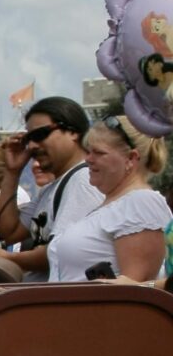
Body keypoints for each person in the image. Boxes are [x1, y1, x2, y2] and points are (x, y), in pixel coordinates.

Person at [0, 96, 101, 280]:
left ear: (73, 132)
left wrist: (9, 257)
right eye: (29, 138)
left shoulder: (82, 180)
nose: (31, 146)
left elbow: (61, 251)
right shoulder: (52, 188)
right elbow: (8, 233)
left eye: (40, 135)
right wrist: (12, 172)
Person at [45, 114, 171, 283]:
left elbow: (138, 292)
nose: (88, 159)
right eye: (89, 152)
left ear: (131, 158)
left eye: (98, 153)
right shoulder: (116, 205)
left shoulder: (140, 204)